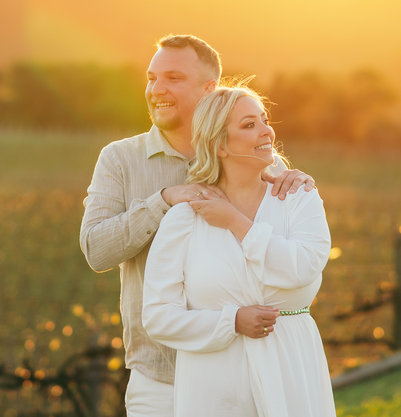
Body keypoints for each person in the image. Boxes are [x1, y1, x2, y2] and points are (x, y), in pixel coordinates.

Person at [79, 35, 316, 417]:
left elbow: (284, 250)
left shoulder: (261, 161)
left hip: (242, 370)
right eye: (152, 78)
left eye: (173, 78)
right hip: (160, 378)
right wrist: (164, 200)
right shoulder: (119, 159)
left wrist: (298, 181)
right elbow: (96, 251)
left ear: (209, 89)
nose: (157, 89)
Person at [142, 84, 336, 417]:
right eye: (249, 125)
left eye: (264, 120)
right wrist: (230, 322)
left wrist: (236, 222)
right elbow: (158, 316)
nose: (267, 131)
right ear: (219, 144)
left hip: (290, 370)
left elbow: (304, 268)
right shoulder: (184, 218)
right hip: (215, 386)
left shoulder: (299, 197)